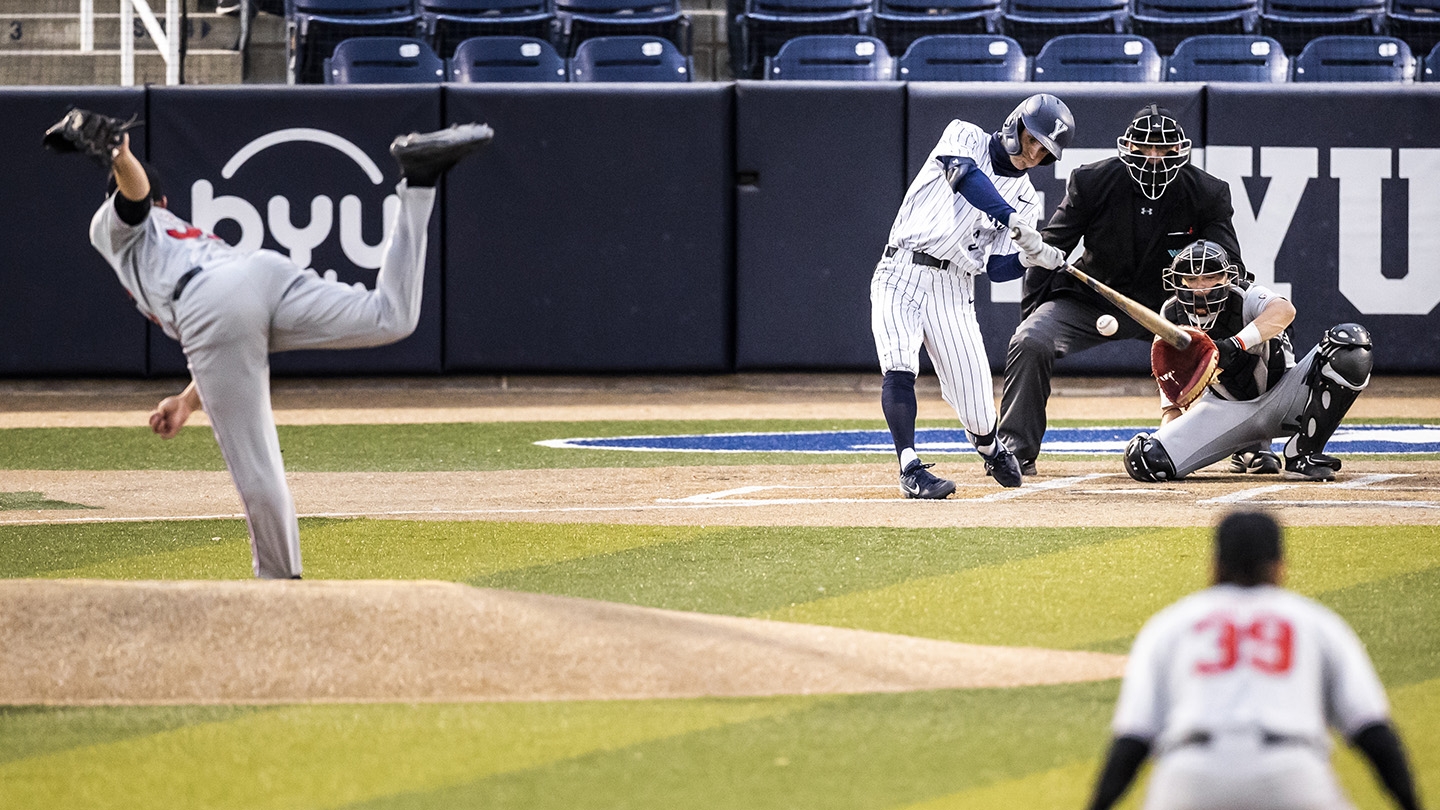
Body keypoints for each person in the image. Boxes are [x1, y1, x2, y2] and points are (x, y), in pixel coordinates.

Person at [47, 108, 493, 579]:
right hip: (256, 276)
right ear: (169, 198)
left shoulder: (113, 226)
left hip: (210, 302)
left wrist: (119, 153)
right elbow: (230, 330)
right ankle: (419, 183)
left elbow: (133, 198)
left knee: (257, 467)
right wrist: (187, 401)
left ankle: (280, 584)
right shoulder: (181, 230)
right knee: (391, 316)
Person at [1086, 510, 1423, 810]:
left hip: (1191, 775)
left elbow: (1132, 742)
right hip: (1290, 773)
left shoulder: (1172, 624)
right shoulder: (1314, 623)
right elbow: (1373, 733)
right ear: (1279, 566)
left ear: (1215, 565)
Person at [1001, 104, 1246, 476]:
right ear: (1126, 148)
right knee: (1030, 340)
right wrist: (1032, 312)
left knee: (1237, 335)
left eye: (1163, 151)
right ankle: (1016, 452)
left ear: (1180, 152)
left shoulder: (1207, 192)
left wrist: (1217, 318)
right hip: (1092, 298)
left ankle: (1251, 445)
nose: (1154, 159)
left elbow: (1229, 264)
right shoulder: (1091, 181)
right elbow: (1048, 252)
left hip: (1172, 308)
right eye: (1146, 149)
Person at [870, 93, 1075, 498]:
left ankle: (988, 445)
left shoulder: (1028, 198)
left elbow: (996, 269)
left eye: (1044, 148)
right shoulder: (965, 134)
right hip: (900, 268)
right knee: (899, 364)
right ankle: (910, 467)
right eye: (1031, 138)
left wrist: (1032, 259)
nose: (1034, 152)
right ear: (1015, 125)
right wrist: (1011, 219)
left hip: (954, 286)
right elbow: (963, 176)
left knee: (980, 407)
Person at [1124, 239, 1370, 483]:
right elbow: (1173, 404)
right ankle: (1249, 447)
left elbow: (1285, 311)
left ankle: (1303, 453)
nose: (1200, 287)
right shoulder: (1169, 316)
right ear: (1179, 281)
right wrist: (1171, 442)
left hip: (1285, 394)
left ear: (1226, 278)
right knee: (1145, 460)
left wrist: (1236, 343)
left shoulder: (1247, 295)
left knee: (1350, 343)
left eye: (1210, 277)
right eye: (1191, 279)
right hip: (1226, 408)